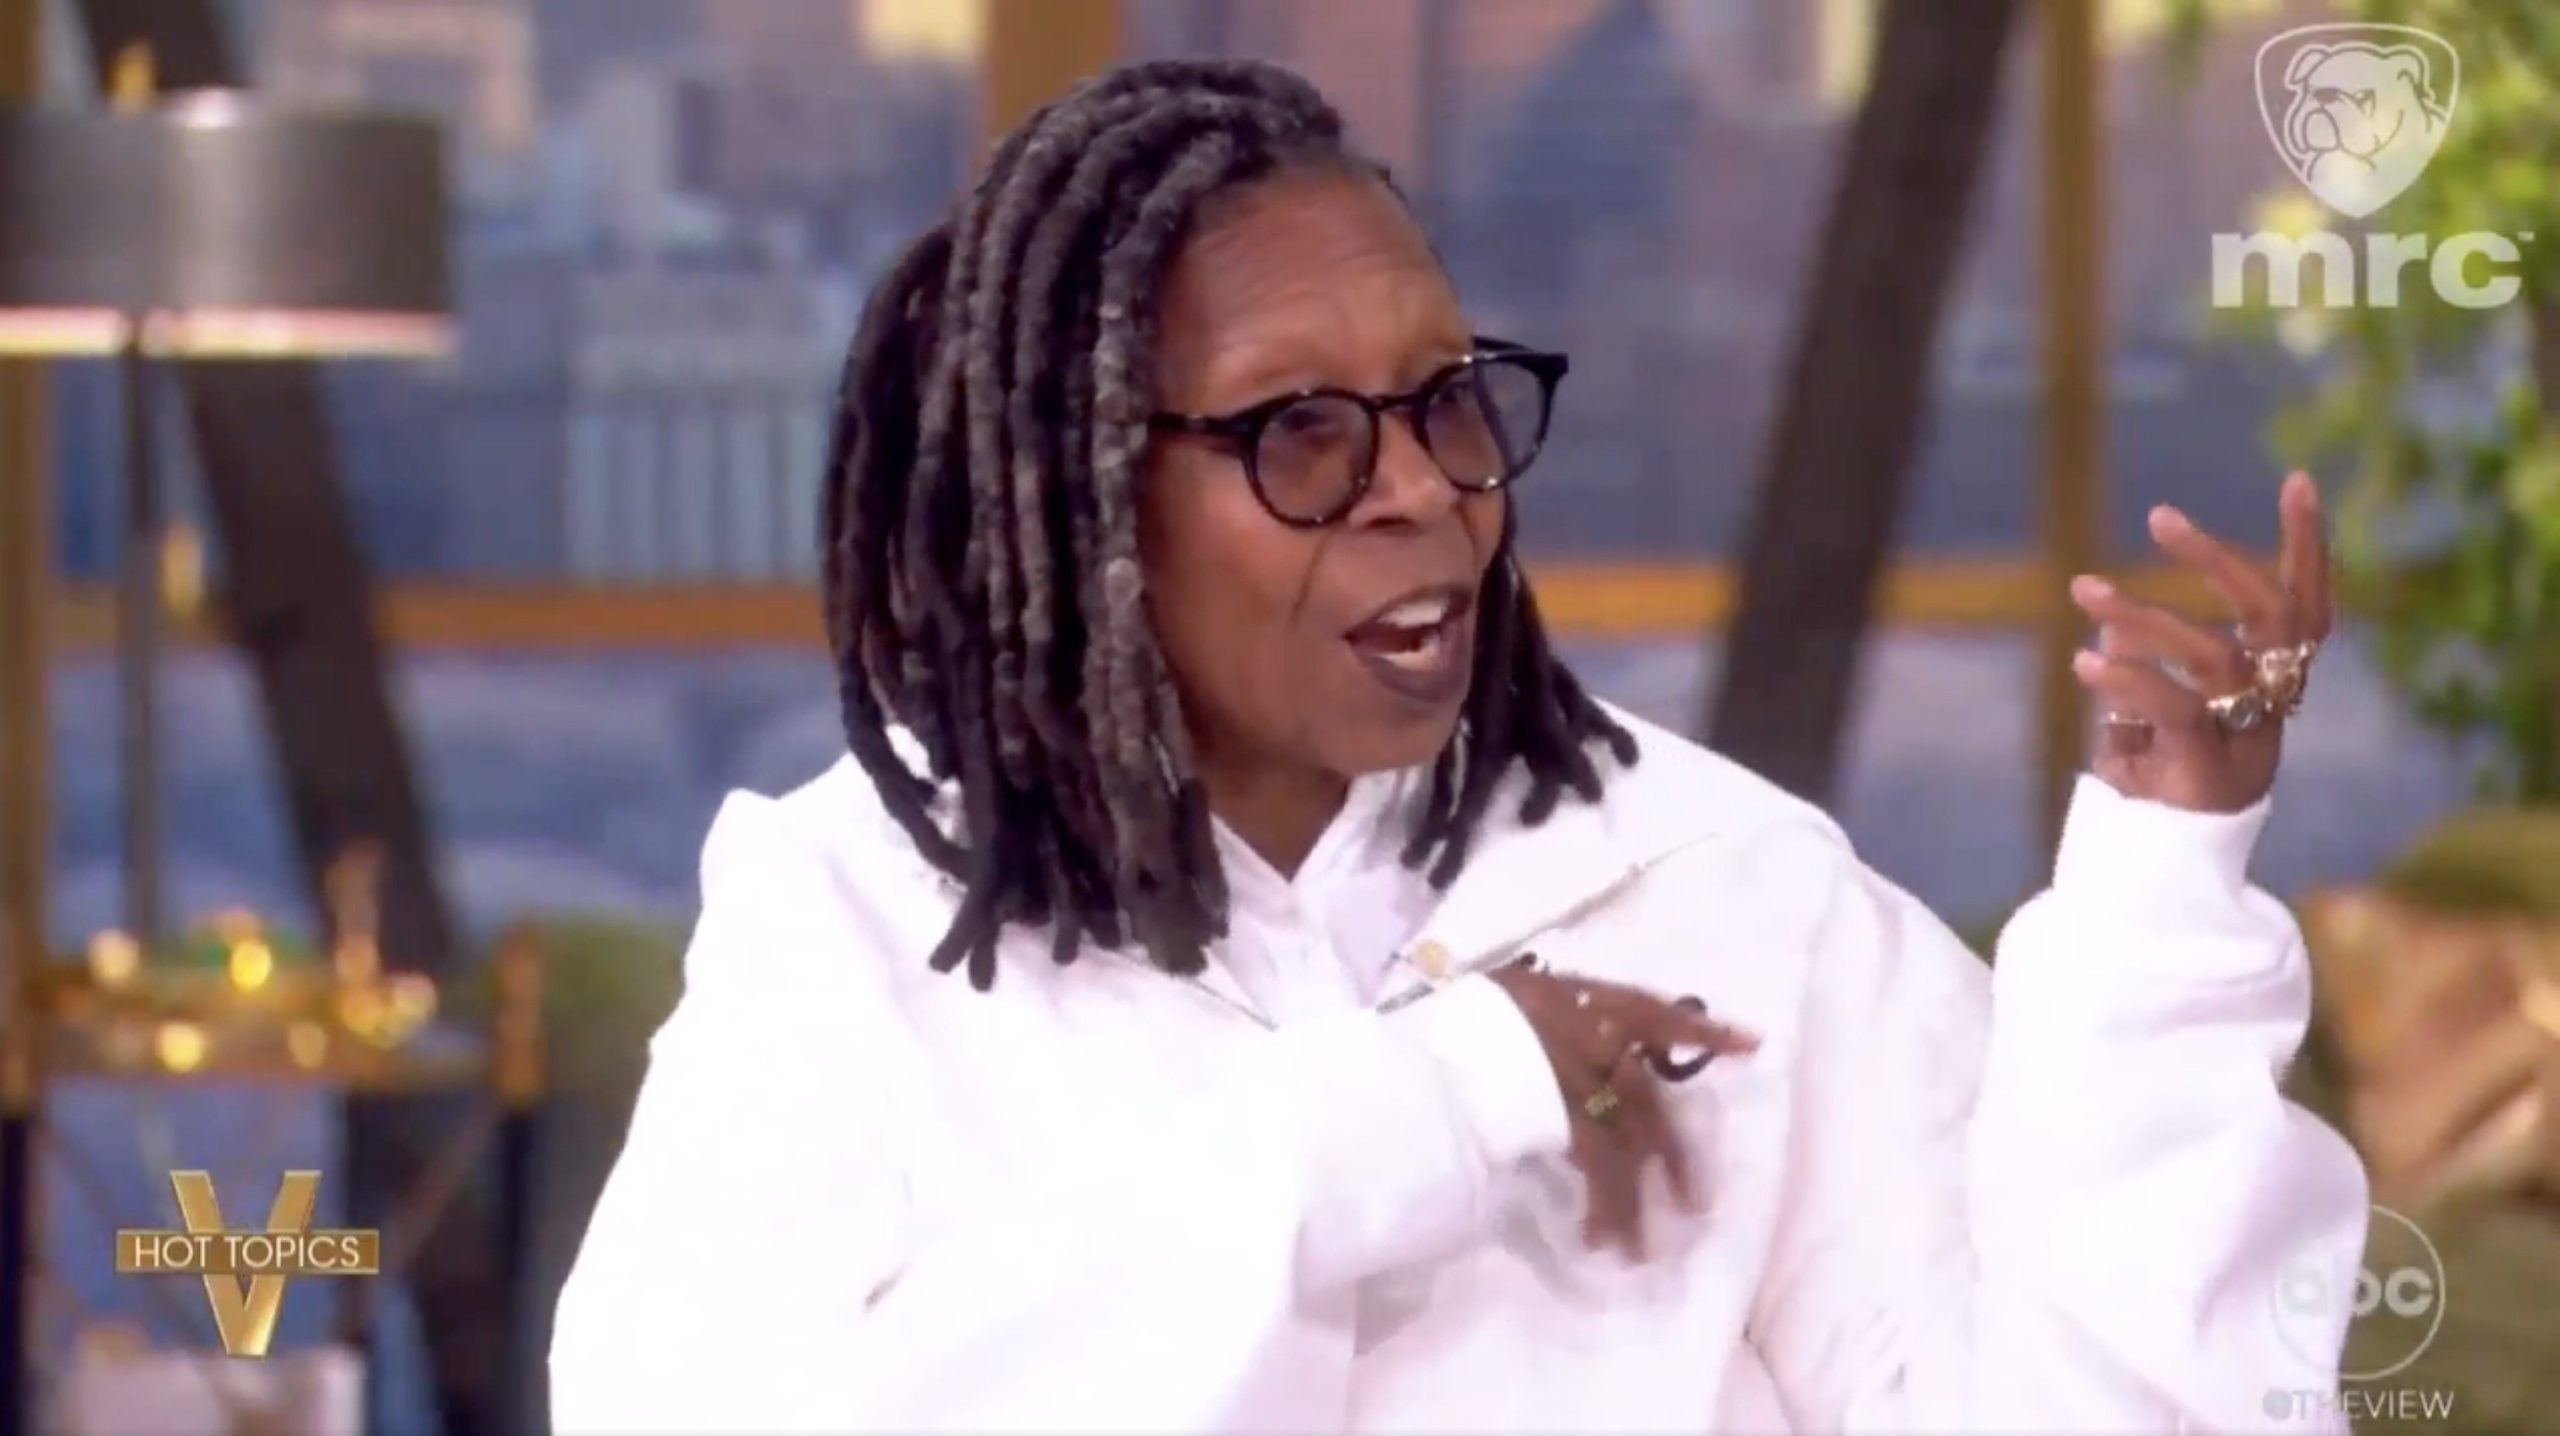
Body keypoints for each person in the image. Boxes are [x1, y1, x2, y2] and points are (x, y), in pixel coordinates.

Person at [549, 59, 2367, 1433]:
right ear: (1085, 491)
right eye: (1302, 431)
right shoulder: (856, 918)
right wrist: (1426, 1108)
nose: (1419, 487)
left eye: (1444, 401)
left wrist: (2161, 896)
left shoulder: (1722, 886)